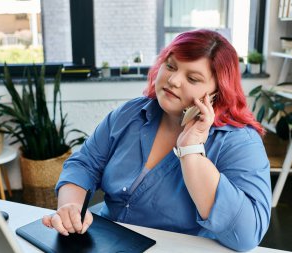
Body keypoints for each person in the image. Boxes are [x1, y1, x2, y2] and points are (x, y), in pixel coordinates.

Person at [42, 29, 271, 252]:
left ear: (217, 94)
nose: (173, 80)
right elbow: (85, 164)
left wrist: (191, 151)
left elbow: (247, 234)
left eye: (192, 78)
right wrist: (70, 206)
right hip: (106, 240)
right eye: (170, 66)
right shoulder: (130, 113)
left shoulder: (240, 142)